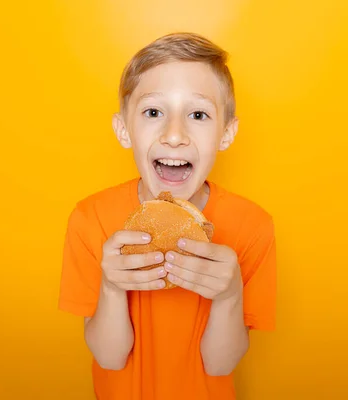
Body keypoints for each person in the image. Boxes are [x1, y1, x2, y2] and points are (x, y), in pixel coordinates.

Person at [58, 32, 276, 400]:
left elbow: (220, 366)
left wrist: (228, 295)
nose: (175, 135)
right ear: (124, 130)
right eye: (154, 112)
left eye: (198, 114)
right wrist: (112, 287)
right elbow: (110, 359)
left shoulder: (252, 226)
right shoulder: (90, 218)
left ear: (226, 133)